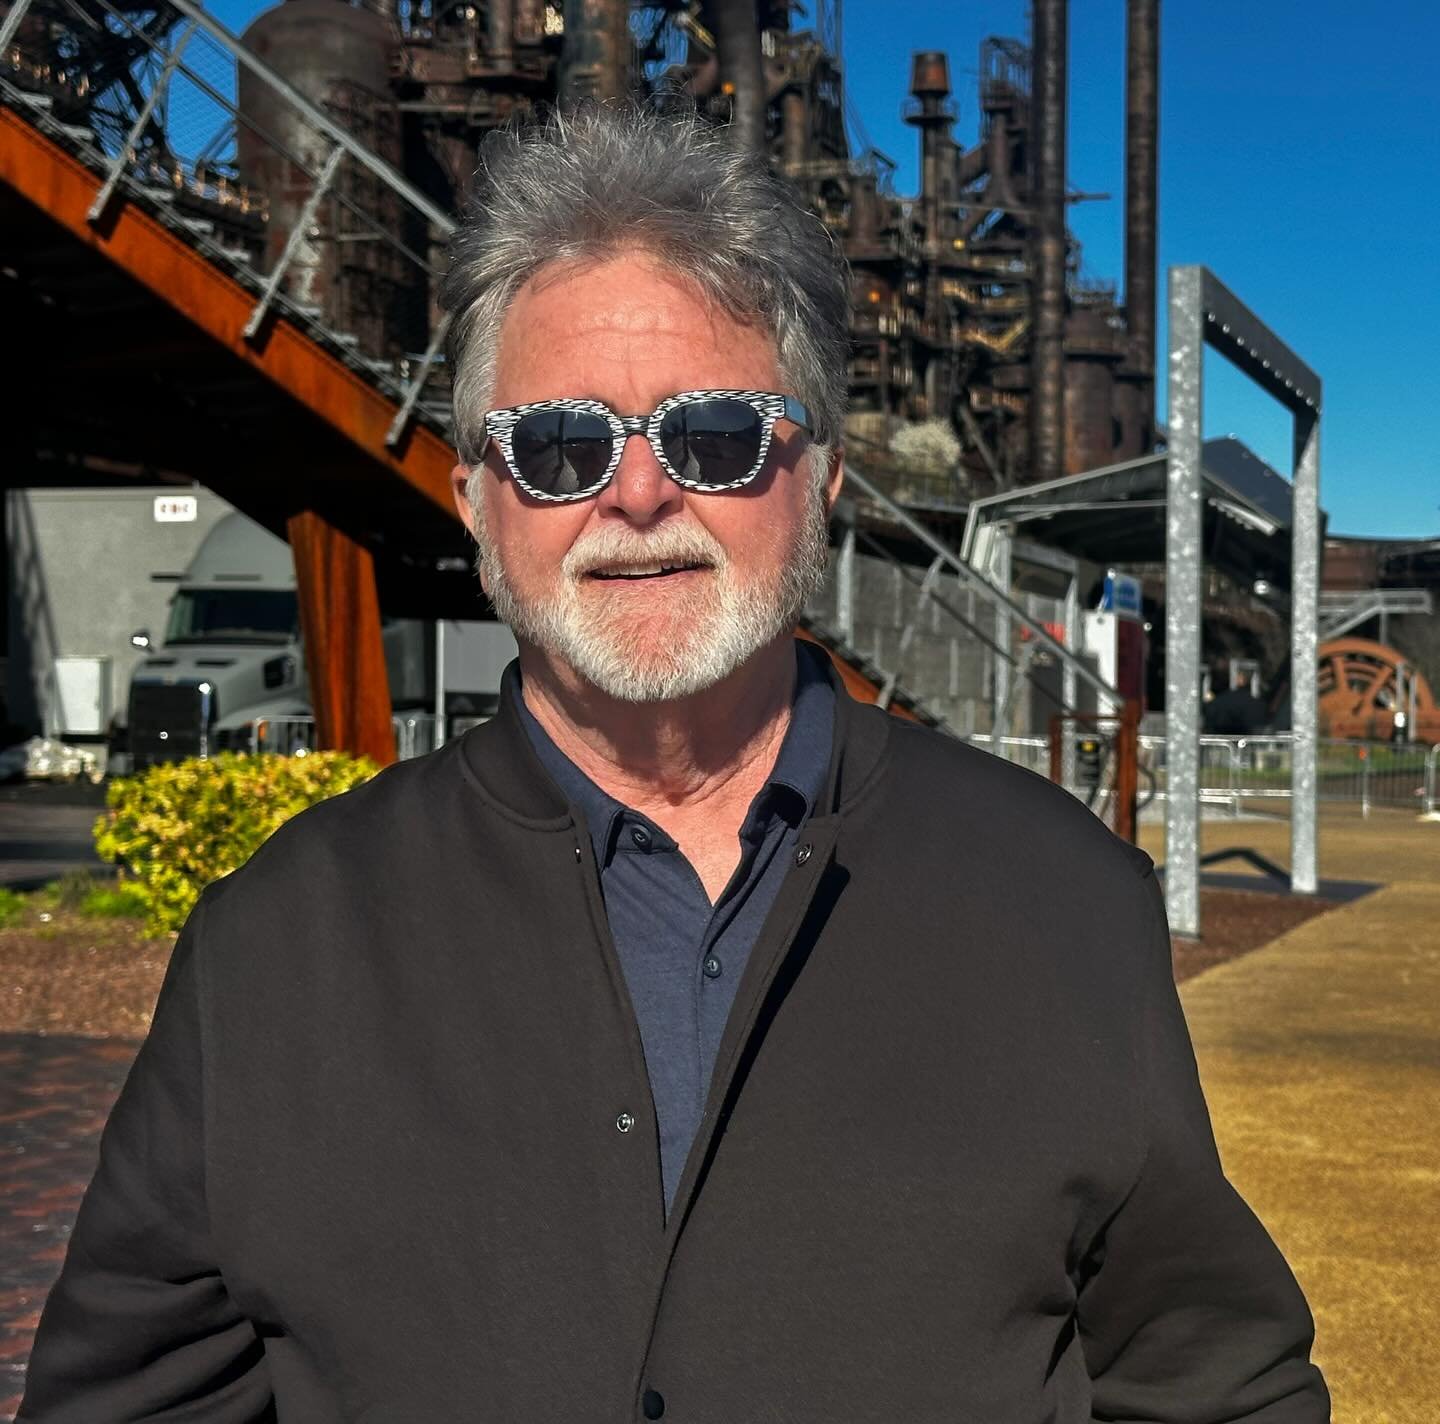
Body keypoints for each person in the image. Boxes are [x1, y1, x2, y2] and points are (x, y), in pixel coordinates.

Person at [20, 105, 1328, 1422]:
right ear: (478, 500)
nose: (638, 497)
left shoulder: (1061, 903)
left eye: (713, 434)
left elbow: (1213, 1387)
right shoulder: (277, 944)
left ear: (817, 475)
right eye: (560, 446)